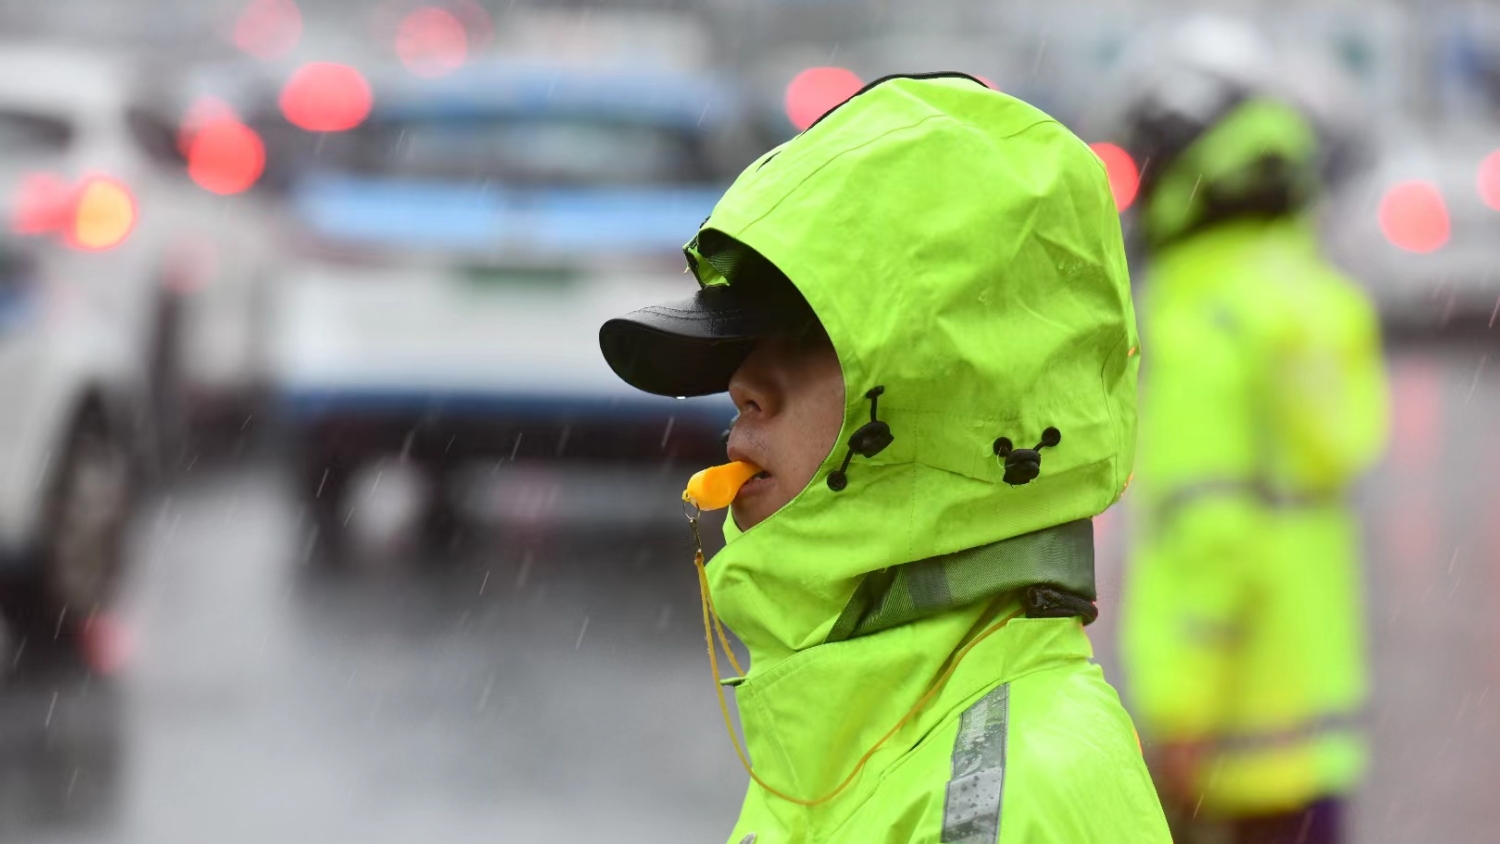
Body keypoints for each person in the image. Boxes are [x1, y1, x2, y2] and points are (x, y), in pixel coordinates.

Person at [599, 73, 1170, 843]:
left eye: (803, 337)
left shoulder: (1008, 800)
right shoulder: (846, 743)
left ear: (957, 393)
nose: (742, 385)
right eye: (743, 341)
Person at [1114, 29, 1391, 844]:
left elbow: (1214, 538)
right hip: (1311, 729)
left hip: (1227, 740)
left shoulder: (1202, 320)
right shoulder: (1313, 300)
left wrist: (1182, 711)